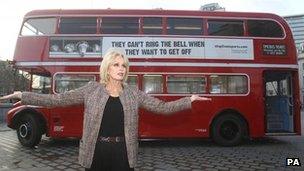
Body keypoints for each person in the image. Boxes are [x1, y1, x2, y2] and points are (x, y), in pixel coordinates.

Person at [0, 48, 211, 171]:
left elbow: (162, 108)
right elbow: (58, 100)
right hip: (96, 151)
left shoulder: (133, 93)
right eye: (116, 64)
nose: (121, 69)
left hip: (123, 152)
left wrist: (188, 100)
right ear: (107, 68)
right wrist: (23, 95)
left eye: (124, 65)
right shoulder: (91, 90)